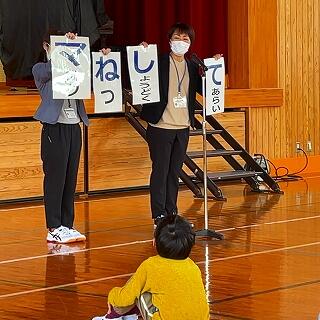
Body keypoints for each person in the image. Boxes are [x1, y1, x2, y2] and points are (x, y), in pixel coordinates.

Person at [140, 22, 222, 225]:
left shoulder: (193, 66)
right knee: (160, 170)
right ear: (169, 41)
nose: (181, 42)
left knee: (174, 171)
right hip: (161, 126)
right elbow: (139, 73)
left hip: (182, 127)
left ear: (191, 43)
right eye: (177, 38)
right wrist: (142, 54)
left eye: (186, 39)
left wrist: (214, 69)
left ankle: (171, 211)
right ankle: (159, 214)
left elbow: (206, 90)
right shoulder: (158, 62)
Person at [32, 31, 110, 243]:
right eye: (56, 45)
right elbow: (52, 69)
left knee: (70, 178)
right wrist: (63, 52)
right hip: (54, 128)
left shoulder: (76, 68)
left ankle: (67, 224)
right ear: (47, 46)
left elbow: (91, 74)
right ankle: (54, 226)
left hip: (74, 127)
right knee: (55, 178)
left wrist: (102, 57)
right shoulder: (40, 69)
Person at [92, 215, 210, 320]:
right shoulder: (193, 267)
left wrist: (112, 296)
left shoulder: (151, 265)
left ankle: (113, 317)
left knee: (139, 291)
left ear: (154, 242)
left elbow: (125, 298)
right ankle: (127, 315)